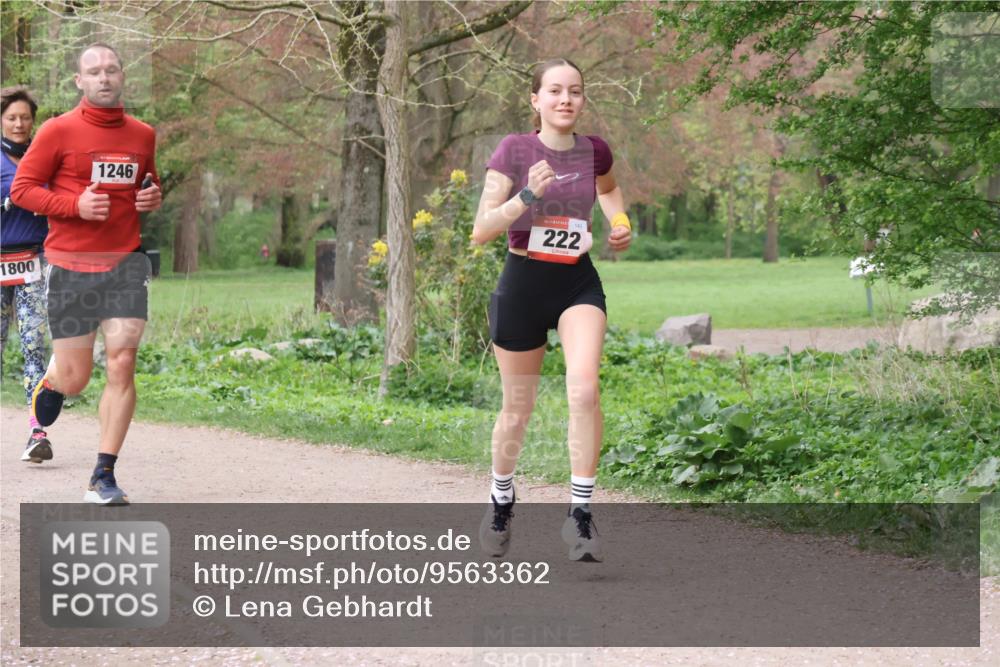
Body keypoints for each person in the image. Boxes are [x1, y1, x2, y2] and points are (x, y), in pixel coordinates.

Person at [471, 58, 632, 561]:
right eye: (556, 91)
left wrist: (620, 220)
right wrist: (526, 195)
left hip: (575, 282)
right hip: (521, 283)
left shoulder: (594, 150)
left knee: (584, 389)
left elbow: (608, 190)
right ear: (535, 100)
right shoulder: (515, 149)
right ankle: (501, 500)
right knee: (517, 410)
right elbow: (481, 230)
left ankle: (579, 517)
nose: (566, 99)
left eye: (576, 92)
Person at [11, 43, 162, 505]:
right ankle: (55, 379)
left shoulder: (143, 134)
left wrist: (152, 197)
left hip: (125, 263)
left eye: (111, 70)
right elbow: (23, 190)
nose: (104, 78)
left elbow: (147, 183)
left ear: (122, 76)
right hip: (71, 267)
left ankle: (103, 474)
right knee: (76, 379)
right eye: (93, 72)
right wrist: (73, 205)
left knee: (121, 363)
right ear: (79, 81)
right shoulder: (58, 131)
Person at [1, 86, 53, 463]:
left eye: (25, 117)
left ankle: (37, 432)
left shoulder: (46, 156)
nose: (19, 124)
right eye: (11, 117)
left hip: (35, 262)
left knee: (35, 348)